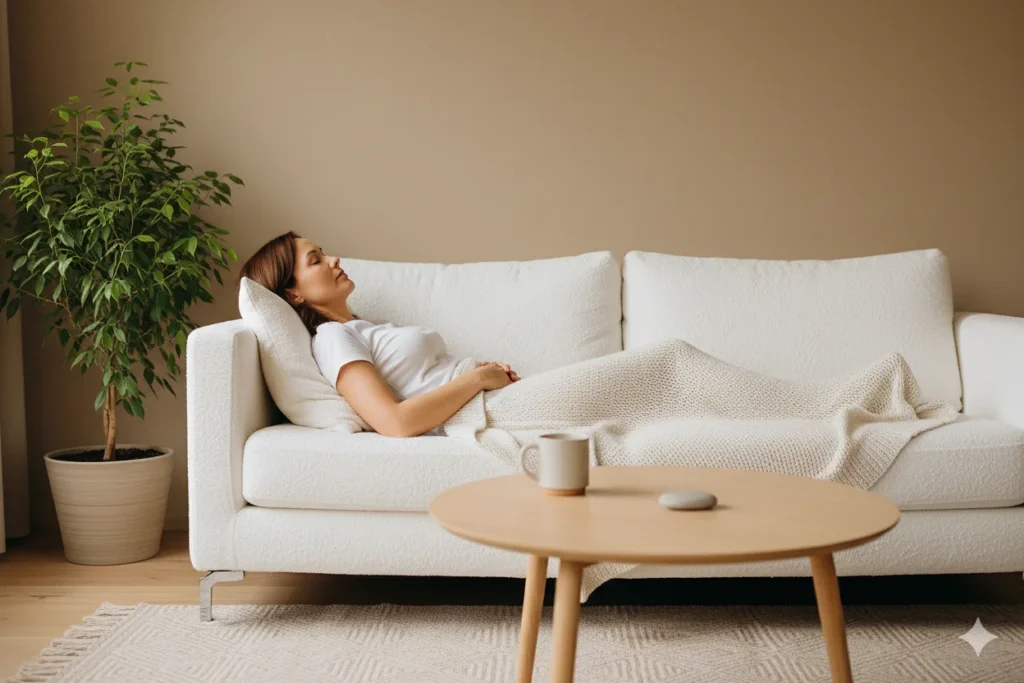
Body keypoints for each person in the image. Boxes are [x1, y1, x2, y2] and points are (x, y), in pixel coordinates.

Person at [239, 232, 520, 438]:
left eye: (324, 254)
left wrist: (488, 374)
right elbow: (394, 422)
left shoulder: (363, 327)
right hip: (476, 414)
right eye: (316, 261)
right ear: (293, 293)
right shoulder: (332, 338)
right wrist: (477, 379)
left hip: (489, 402)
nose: (334, 260)